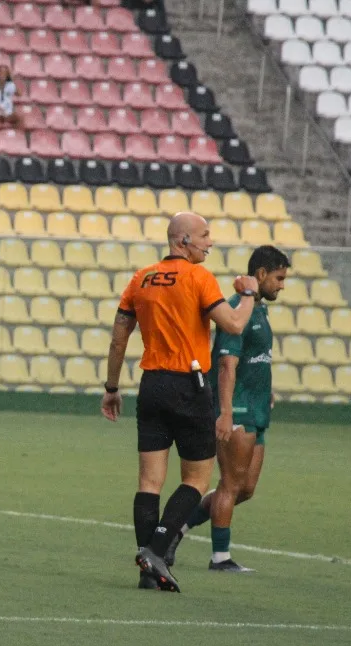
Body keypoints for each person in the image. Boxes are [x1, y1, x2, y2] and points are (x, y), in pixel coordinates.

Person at [100, 212, 257, 593]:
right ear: (182, 240)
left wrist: (112, 386)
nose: (210, 242)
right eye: (204, 236)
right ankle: (155, 552)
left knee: (149, 481)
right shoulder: (198, 277)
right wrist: (249, 293)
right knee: (197, 479)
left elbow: (120, 336)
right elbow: (234, 324)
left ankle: (147, 571)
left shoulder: (142, 278)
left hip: (151, 384)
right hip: (189, 385)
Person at [165, 246, 289, 574]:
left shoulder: (258, 310)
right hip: (238, 409)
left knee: (244, 489)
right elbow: (226, 364)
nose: (282, 285)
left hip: (258, 408)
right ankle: (220, 558)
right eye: (278, 278)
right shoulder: (236, 309)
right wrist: (226, 411)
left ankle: (177, 529)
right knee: (230, 485)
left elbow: (253, 360)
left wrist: (266, 390)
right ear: (260, 274)